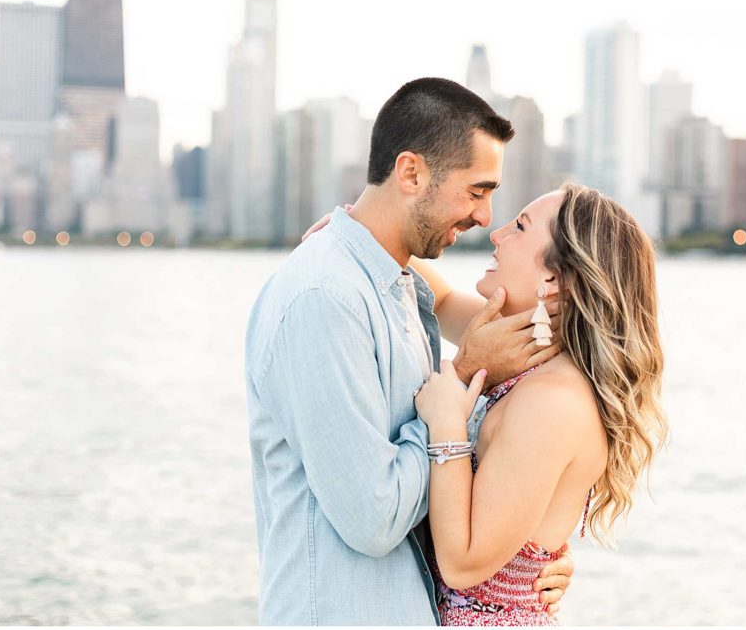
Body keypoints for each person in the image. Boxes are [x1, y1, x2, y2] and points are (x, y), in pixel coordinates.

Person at [244, 78, 574, 625]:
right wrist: (464, 379)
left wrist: (531, 556)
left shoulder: (393, 285)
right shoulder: (325, 298)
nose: (486, 219)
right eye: (477, 191)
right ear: (411, 173)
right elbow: (375, 518)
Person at [409, 183, 669, 625]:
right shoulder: (529, 348)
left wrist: (448, 422)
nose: (496, 233)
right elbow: (442, 300)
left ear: (553, 279)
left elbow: (463, 565)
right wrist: (362, 231)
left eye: (520, 227)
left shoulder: (553, 402)